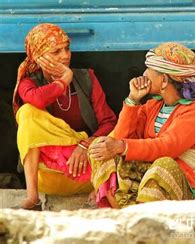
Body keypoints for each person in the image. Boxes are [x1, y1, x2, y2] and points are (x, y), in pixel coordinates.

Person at [87, 42, 195, 208]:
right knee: (100, 146)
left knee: (164, 165)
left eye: (149, 69)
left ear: (163, 80)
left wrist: (122, 146)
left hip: (182, 187)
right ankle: (122, 212)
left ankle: (142, 221)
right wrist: (133, 100)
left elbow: (167, 146)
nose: (144, 74)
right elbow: (118, 137)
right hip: (145, 178)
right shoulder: (152, 106)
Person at [12, 23, 117, 210]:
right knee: (27, 112)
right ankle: (33, 198)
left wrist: (85, 145)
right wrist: (64, 79)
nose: (65, 55)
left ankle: (103, 187)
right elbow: (36, 100)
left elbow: (109, 122)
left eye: (67, 48)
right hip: (47, 173)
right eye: (56, 52)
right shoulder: (28, 83)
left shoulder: (87, 78)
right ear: (38, 56)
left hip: (86, 167)